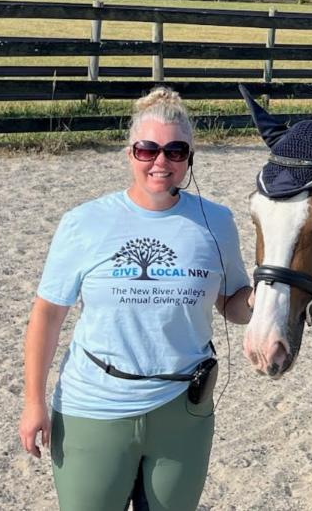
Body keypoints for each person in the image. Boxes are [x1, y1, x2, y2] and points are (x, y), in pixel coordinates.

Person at [19, 86, 253, 510]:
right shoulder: (85, 223)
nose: (161, 161)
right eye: (148, 149)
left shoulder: (216, 222)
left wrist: (272, 299)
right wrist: (33, 402)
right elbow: (47, 316)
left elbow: (232, 305)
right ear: (130, 153)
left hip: (183, 413)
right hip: (93, 409)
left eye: (175, 151)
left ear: (190, 157)